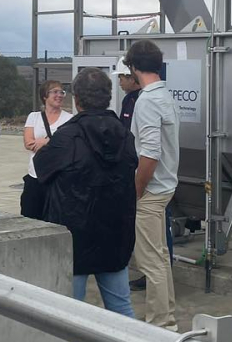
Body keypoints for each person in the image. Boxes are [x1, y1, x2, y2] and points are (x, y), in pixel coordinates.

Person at [33, 68, 138, 318]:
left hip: (74, 237)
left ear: (77, 99)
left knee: (71, 312)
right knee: (121, 308)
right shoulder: (124, 134)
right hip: (115, 233)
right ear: (107, 97)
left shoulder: (67, 136)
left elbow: (41, 169)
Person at [124, 39, 180, 330]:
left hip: (151, 191)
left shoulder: (146, 100)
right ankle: (167, 318)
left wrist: (136, 190)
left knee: (150, 261)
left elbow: (150, 154)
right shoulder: (166, 96)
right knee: (159, 256)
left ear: (133, 67)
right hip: (166, 187)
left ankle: (161, 325)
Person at [19, 80, 74, 219]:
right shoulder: (34, 117)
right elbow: (28, 143)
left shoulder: (69, 119)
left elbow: (68, 147)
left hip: (57, 178)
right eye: (55, 92)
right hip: (35, 176)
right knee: (30, 216)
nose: (59, 95)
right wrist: (54, 143)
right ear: (45, 96)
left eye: (61, 92)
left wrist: (46, 141)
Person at [114, 60, 141, 131]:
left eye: (121, 79)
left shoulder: (142, 99)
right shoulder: (127, 99)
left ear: (132, 79)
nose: (120, 84)